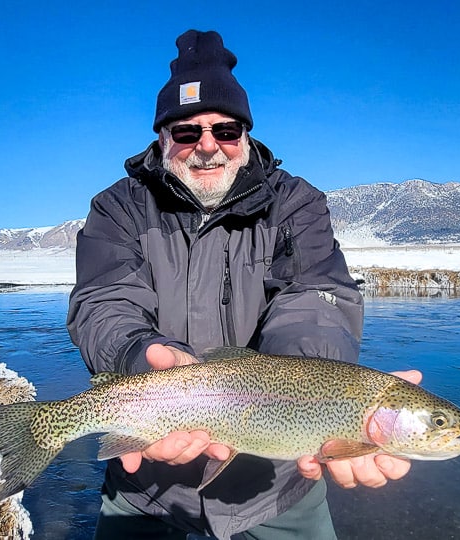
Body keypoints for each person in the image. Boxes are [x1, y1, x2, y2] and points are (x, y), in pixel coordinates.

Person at [66, 29, 418, 540]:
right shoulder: (118, 207)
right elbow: (104, 301)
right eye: (187, 133)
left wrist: (320, 392)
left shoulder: (295, 202)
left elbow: (315, 299)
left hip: (273, 484)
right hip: (147, 480)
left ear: (246, 136)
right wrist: (141, 357)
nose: (207, 146)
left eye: (226, 131)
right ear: (162, 138)